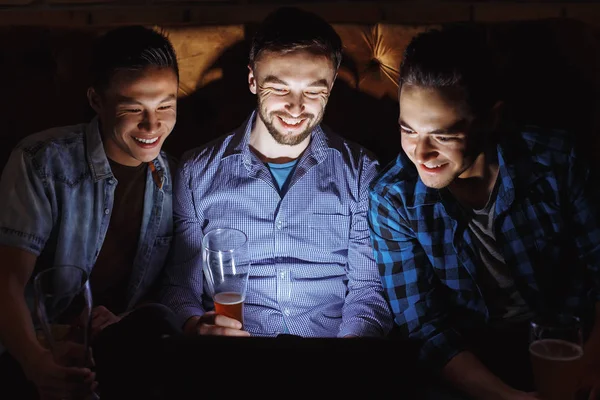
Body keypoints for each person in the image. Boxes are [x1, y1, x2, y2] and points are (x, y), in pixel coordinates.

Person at [368, 25, 600, 399]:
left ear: (491, 119)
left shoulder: (556, 162)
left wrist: (588, 369)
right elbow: (425, 328)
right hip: (470, 363)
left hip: (568, 345)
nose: (421, 153)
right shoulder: (393, 198)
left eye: (443, 135)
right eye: (408, 130)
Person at [160, 6, 393, 339]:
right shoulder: (197, 172)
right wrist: (196, 326)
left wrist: (346, 359)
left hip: (330, 359)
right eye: (280, 88)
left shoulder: (360, 171)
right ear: (253, 80)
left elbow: (367, 290)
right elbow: (179, 287)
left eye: (313, 91)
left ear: (331, 86)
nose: (296, 109)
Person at [0, 25, 181, 399]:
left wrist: (124, 319)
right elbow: (7, 282)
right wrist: (37, 362)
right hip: (34, 344)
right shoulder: (43, 161)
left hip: (119, 348)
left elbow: (169, 288)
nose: (152, 125)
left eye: (165, 105)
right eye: (133, 108)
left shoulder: (177, 176)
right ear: (97, 101)